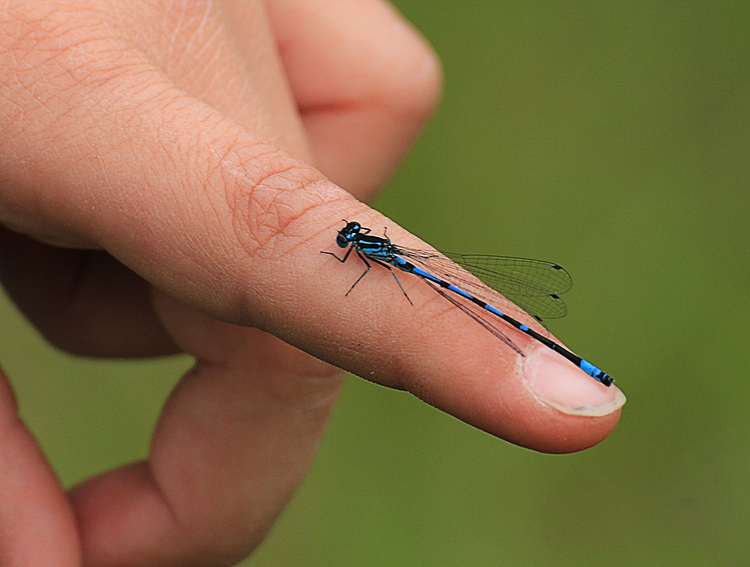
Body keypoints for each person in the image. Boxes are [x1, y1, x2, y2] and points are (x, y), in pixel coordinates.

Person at [0, 1, 625, 564]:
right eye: (349, 240)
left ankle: (568, 364)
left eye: (351, 241)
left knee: (451, 298)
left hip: (420, 272)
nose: (346, 242)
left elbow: (380, 276)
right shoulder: (361, 248)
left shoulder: (371, 256)